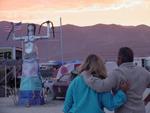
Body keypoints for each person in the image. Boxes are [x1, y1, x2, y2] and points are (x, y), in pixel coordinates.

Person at [84, 47, 150, 113]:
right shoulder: (144, 72)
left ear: (119, 58)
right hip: (140, 110)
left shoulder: (117, 73)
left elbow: (102, 86)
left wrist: (88, 77)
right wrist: (146, 101)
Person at [63, 54, 128, 113]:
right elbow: (110, 105)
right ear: (100, 66)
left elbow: (67, 106)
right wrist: (122, 92)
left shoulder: (75, 81)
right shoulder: (101, 83)